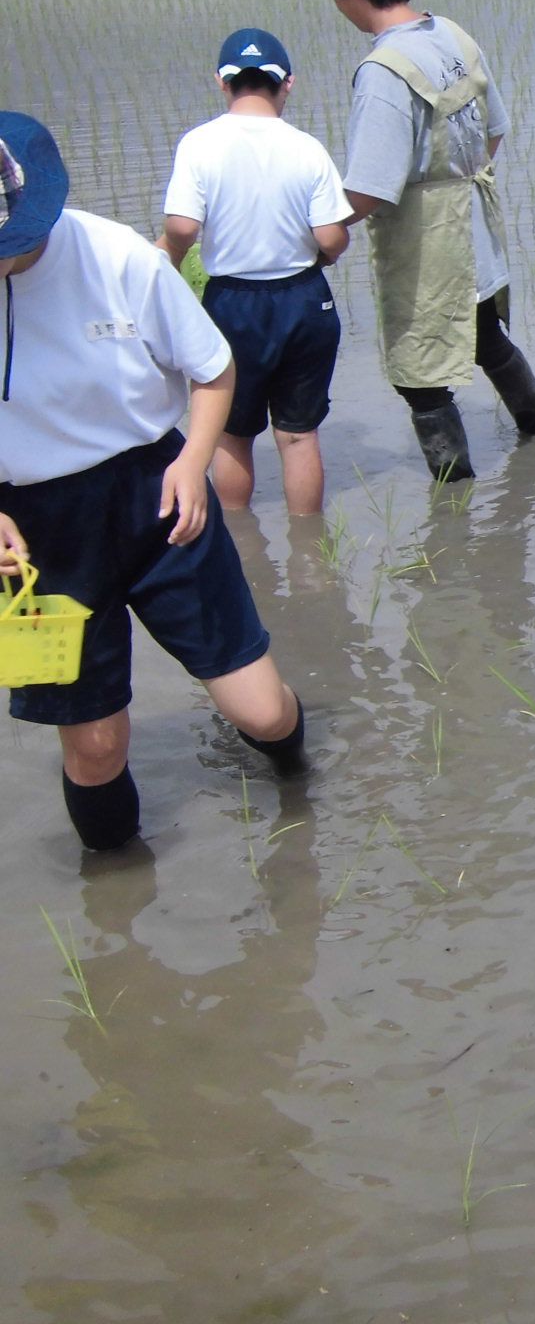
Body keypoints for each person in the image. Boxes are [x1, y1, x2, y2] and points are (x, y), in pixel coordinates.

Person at [0, 112, 307, 853]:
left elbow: (213, 370)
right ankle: (116, 920)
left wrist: (193, 463)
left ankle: (305, 807)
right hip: (33, 539)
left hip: (159, 498)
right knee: (96, 745)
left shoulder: (119, 257)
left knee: (262, 712)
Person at [316, 0, 535, 482]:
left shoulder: (383, 71)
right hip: (473, 222)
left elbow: (371, 186)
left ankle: (454, 499)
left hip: (427, 240)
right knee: (484, 334)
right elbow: (496, 130)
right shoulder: (451, 36)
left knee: (417, 374)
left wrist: (318, 232)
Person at [157, 28, 351, 516]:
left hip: (233, 305)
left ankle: (243, 551)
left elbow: (182, 225)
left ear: (223, 84)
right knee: (300, 436)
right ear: (287, 83)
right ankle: (311, 556)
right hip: (305, 301)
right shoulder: (308, 148)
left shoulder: (199, 143)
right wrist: (319, 259)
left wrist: (172, 259)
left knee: (232, 436)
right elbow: (332, 239)